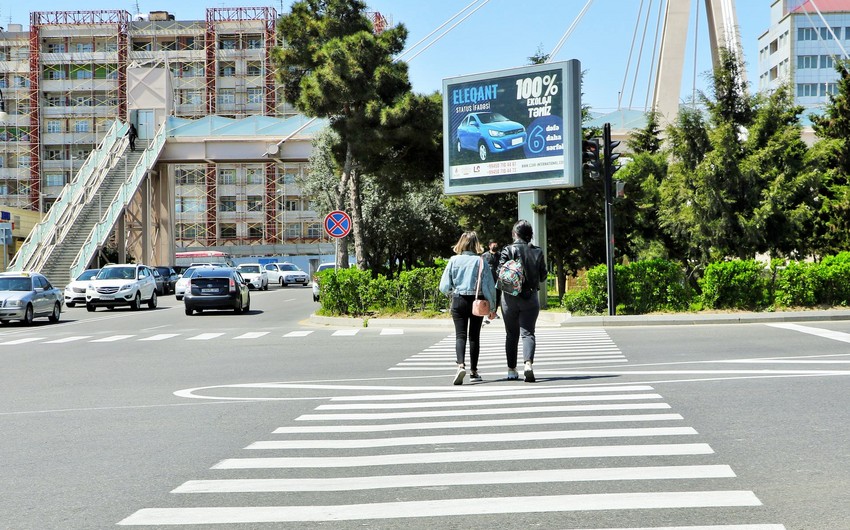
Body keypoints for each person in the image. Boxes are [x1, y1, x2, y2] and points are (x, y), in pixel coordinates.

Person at [439, 231, 497, 385]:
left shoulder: (453, 260)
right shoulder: (481, 261)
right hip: (476, 301)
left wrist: (452, 292)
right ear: (475, 244)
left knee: (460, 335)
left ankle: (460, 366)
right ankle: (474, 371)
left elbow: (444, 286)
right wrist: (492, 307)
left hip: (458, 300)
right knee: (474, 336)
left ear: (461, 243)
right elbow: (489, 286)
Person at [499, 219, 547, 383]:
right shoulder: (538, 252)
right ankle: (528, 364)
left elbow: (500, 271)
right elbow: (543, 276)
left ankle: (512, 370)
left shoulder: (508, 249)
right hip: (530, 297)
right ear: (529, 235)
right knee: (528, 333)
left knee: (511, 334)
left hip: (509, 298)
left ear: (515, 234)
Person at [482, 239, 501, 320]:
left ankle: (494, 312)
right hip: (488, 280)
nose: (495, 247)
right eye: (493, 245)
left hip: (497, 279)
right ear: (489, 246)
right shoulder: (484, 255)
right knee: (486, 295)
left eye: (496, 245)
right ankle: (485, 311)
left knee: (497, 295)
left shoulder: (500, 255)